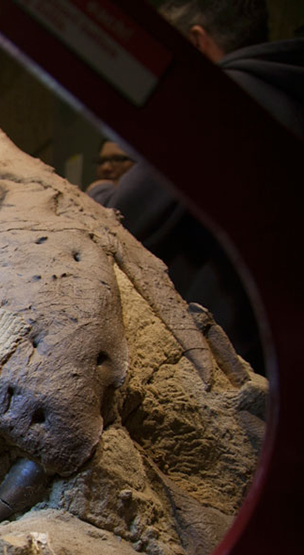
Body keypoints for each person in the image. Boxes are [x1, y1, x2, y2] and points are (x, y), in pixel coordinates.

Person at [89, 0, 304, 375]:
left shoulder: (221, 102)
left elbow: (125, 215)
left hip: (230, 364)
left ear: (196, 43)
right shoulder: (285, 92)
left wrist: (101, 190)